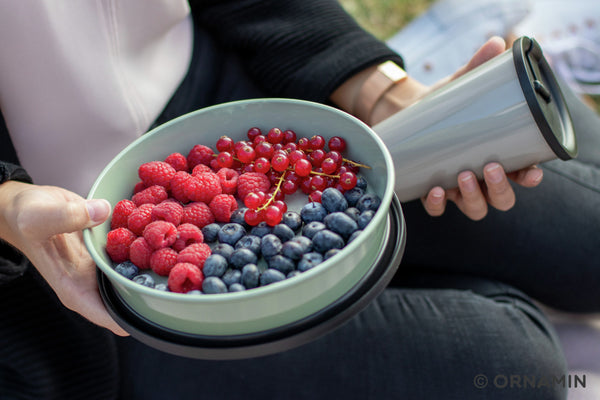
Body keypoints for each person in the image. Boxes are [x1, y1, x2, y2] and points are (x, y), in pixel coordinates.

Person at [0, 1, 596, 399]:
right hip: (80, 255)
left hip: (235, 135)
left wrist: (379, 90)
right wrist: (6, 207)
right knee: (520, 364)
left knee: (586, 242)